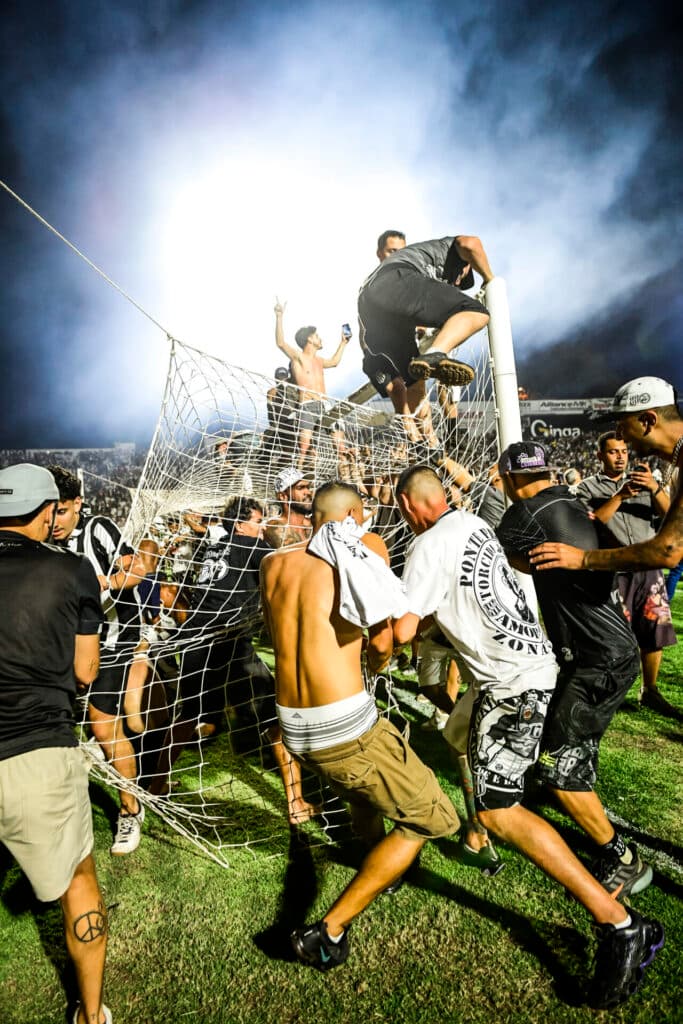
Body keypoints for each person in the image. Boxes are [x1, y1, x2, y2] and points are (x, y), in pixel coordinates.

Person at [393, 465, 664, 1010]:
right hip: (533, 664)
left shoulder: (426, 546)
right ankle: (474, 835)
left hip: (511, 685)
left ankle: (619, 921)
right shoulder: (473, 523)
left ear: (405, 504)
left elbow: (401, 632)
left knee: (502, 808)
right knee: (456, 733)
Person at [260, 481, 460, 970]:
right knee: (433, 818)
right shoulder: (363, 545)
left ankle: (376, 860)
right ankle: (326, 931)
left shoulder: (273, 564)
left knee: (360, 787)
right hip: (342, 725)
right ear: (352, 514)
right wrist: (378, 663)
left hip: (293, 725)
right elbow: (385, 639)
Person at [496, 442, 650, 898]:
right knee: (557, 738)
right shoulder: (572, 502)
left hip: (599, 658)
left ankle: (621, 858)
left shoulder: (522, 514)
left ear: (507, 478)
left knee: (559, 766)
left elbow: (504, 557)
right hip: (601, 651)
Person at [0, 464, 111, 1024]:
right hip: (37, 751)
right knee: (78, 880)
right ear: (47, 513)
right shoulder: (72, 571)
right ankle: (91, 1015)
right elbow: (86, 670)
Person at [149, 496, 318, 825]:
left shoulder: (215, 546)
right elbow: (291, 564)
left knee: (189, 717)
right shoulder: (251, 548)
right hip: (228, 643)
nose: (262, 527)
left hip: (198, 639)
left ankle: (156, 786)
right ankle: (296, 803)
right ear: (241, 525)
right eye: (257, 521)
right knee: (274, 720)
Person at [530, 381, 681, 718]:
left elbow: (670, 548)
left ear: (648, 420)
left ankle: (647, 689)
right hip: (620, 576)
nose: (621, 438)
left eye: (622, 424)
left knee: (648, 635)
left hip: (640, 569)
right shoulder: (675, 463)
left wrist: (584, 559)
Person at [50, 464, 148, 855]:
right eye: (47, 510)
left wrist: (106, 581)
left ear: (78, 503)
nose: (54, 520)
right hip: (65, 643)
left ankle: (131, 808)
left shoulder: (97, 529)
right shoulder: (40, 536)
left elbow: (136, 569)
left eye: (61, 510)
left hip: (113, 638)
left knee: (103, 724)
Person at [358, 235, 493, 411]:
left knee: (415, 382)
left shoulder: (428, 277)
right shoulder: (446, 249)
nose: (458, 282)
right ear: (466, 264)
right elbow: (470, 243)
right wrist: (489, 279)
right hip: (394, 278)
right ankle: (436, 354)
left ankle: (422, 439)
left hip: (370, 306)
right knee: (477, 313)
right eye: (461, 276)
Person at [274, 302, 350, 471]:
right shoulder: (298, 357)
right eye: (317, 336)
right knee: (305, 449)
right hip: (307, 406)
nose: (320, 338)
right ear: (309, 339)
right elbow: (280, 343)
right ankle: (297, 481)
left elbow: (335, 362)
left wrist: (343, 343)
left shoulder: (319, 360)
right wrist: (279, 316)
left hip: (325, 405)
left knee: (341, 447)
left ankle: (349, 482)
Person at [264, 468, 313, 548]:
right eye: (300, 488)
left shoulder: (313, 523)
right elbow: (293, 556)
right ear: (283, 496)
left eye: (308, 487)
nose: (308, 492)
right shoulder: (275, 526)